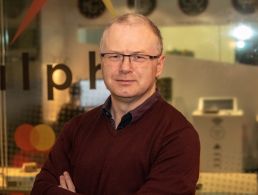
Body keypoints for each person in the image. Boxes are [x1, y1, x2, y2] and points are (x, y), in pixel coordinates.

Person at [31, 13, 200, 195]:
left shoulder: (178, 136)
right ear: (101, 62)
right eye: (114, 56)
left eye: (138, 57)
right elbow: (41, 189)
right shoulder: (76, 128)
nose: (125, 67)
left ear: (159, 65)